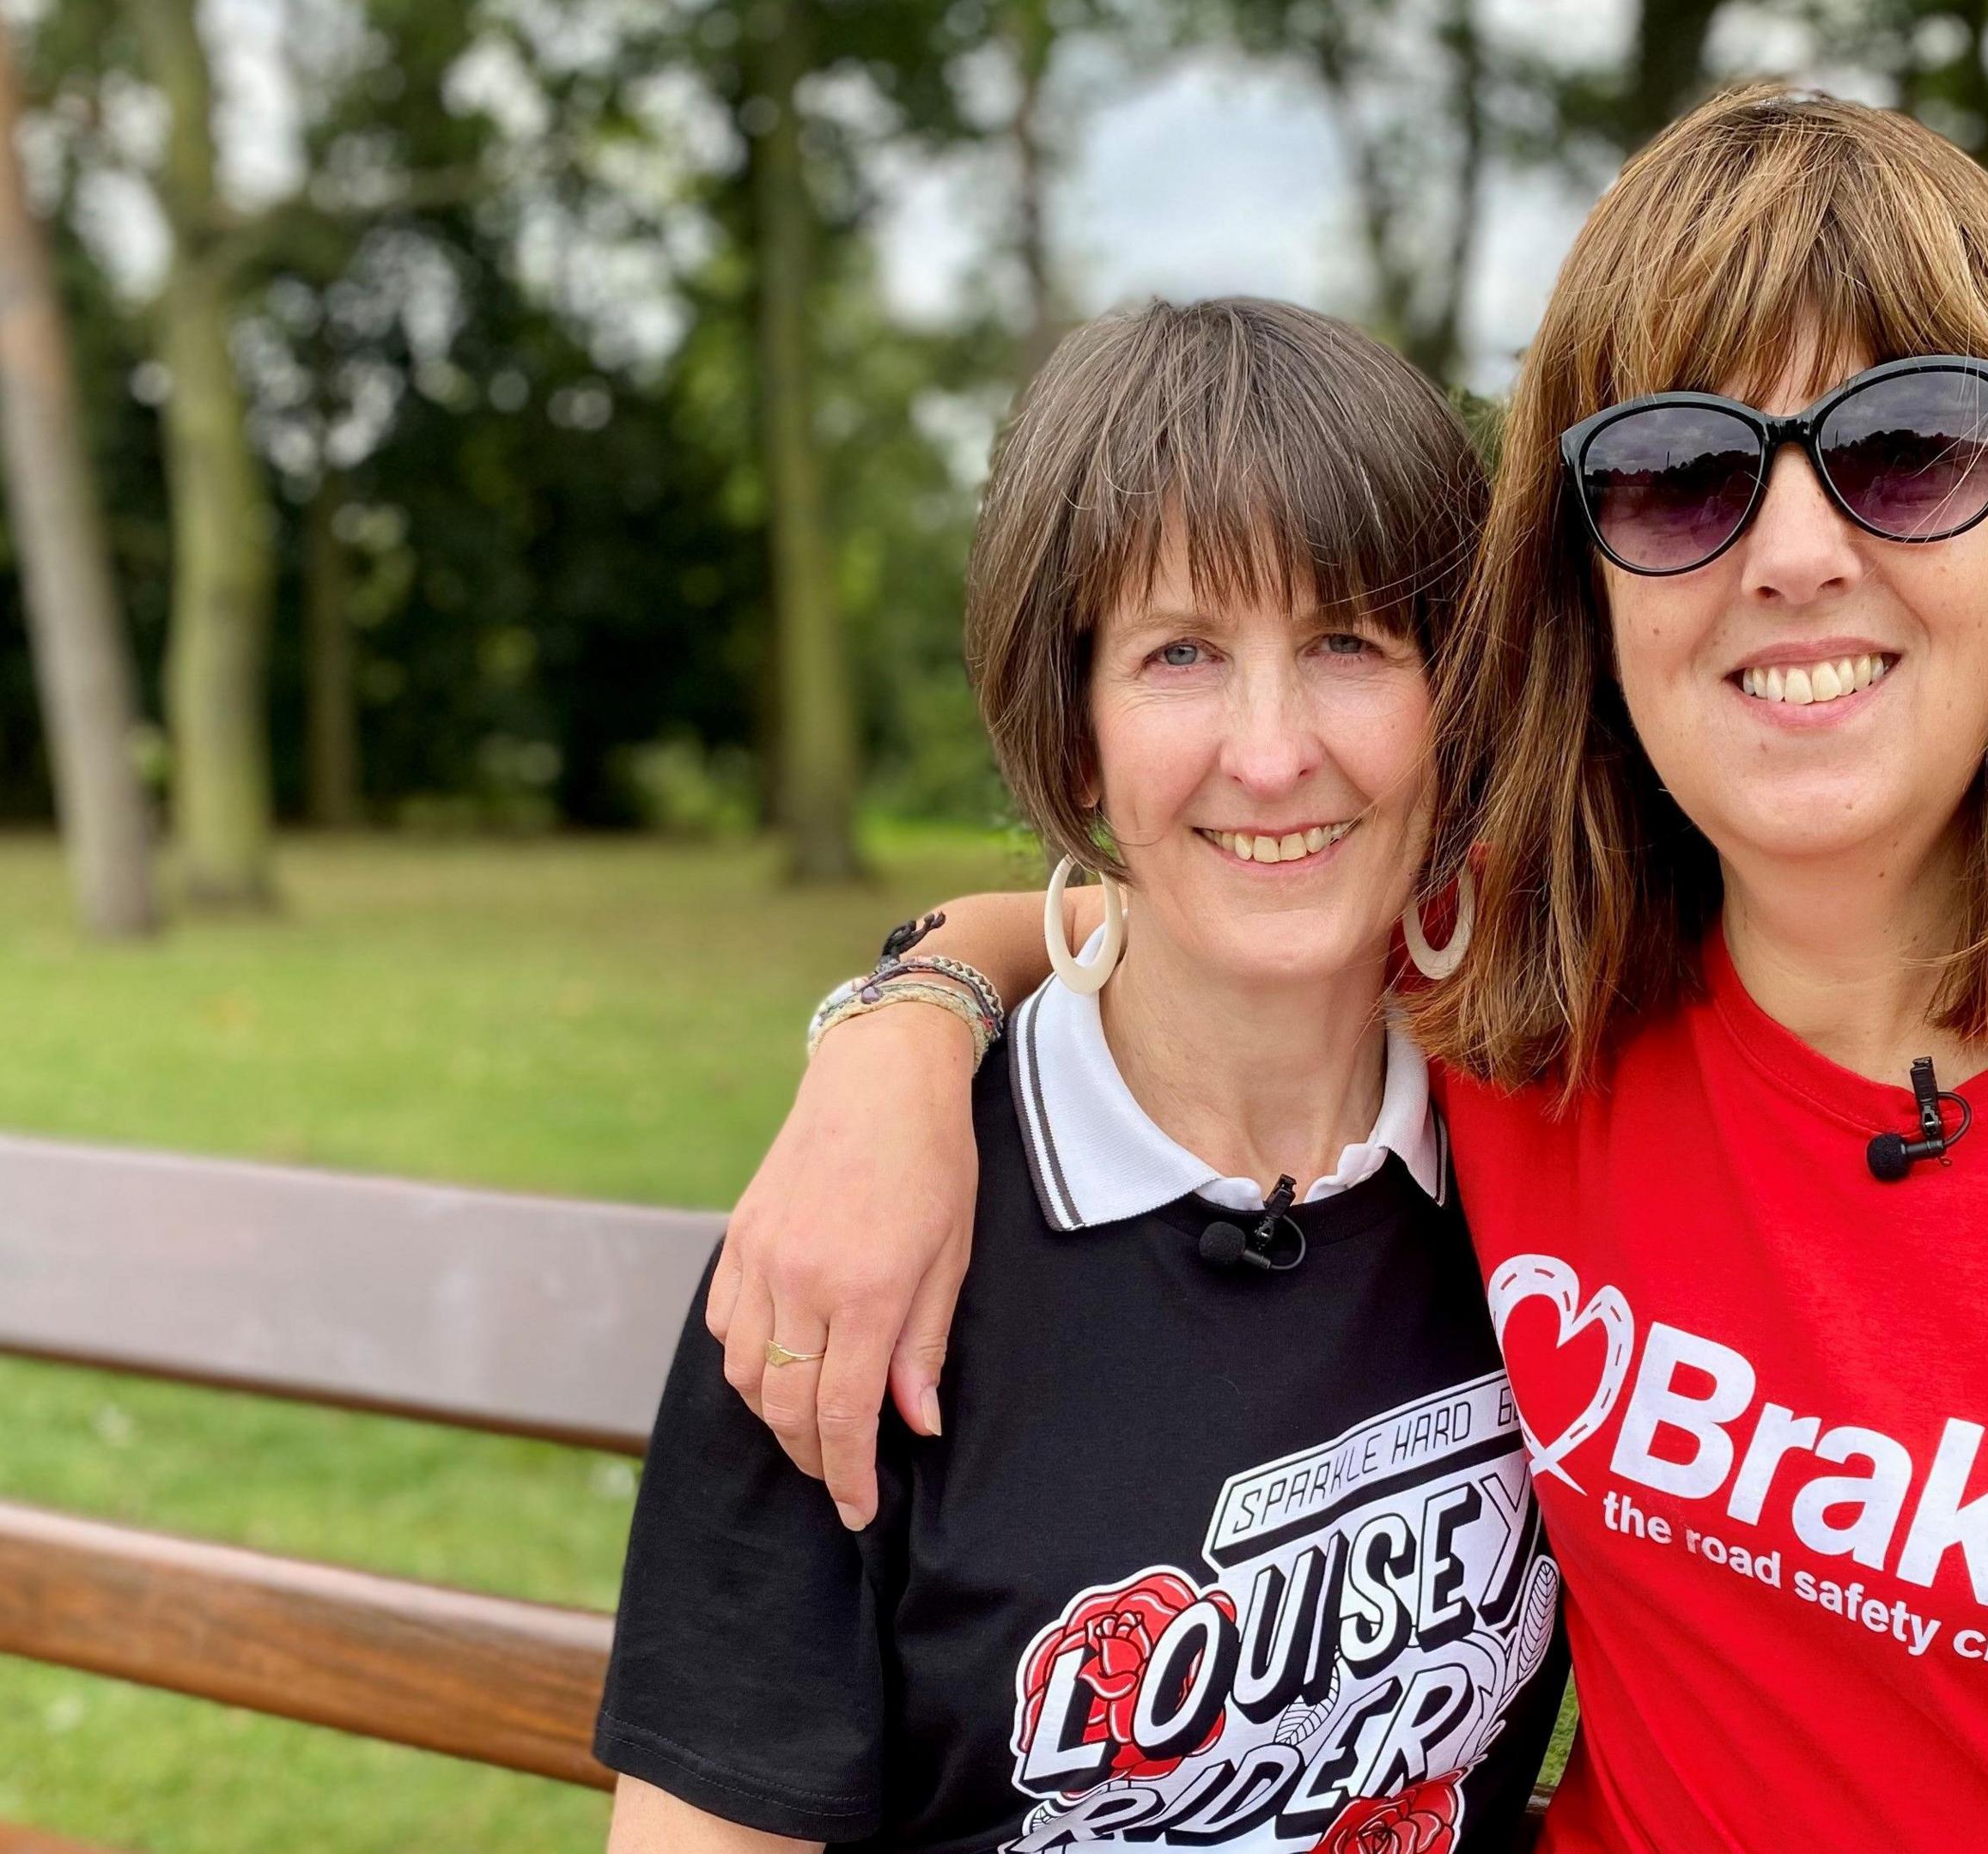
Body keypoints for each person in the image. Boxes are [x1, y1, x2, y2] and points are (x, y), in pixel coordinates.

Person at [711, 88, 1988, 1852]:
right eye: (1681, 479)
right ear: (1584, 577)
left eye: (1908, 447)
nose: (1797, 553)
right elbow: (1189, 906)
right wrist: (903, 1027)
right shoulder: (1524, 989)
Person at [594, 300, 1566, 1853]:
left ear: (1458, 694)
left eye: (1347, 643)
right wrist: (909, 1020)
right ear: (1077, 727)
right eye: (1181, 652)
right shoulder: (865, 1246)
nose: (1270, 752)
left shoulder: (1549, 1161)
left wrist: (925, 990)